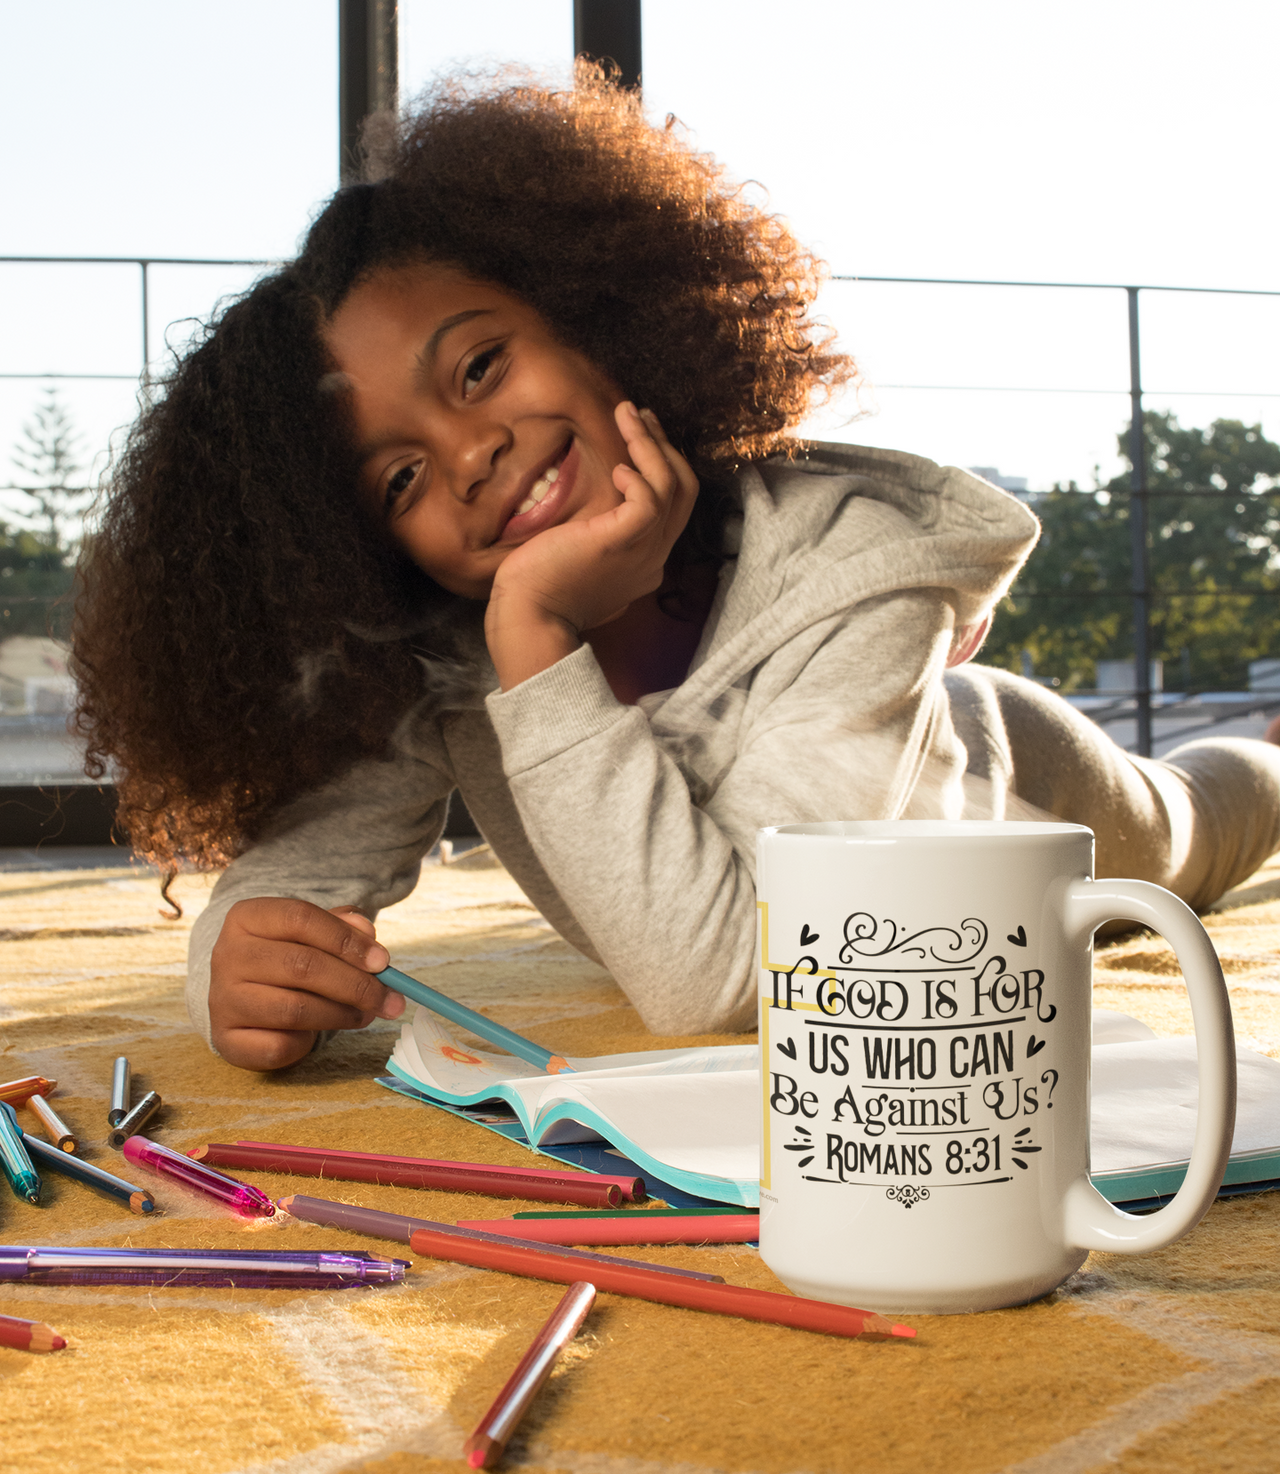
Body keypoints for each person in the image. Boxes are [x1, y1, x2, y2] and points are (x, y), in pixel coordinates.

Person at [72, 69, 1280, 1071]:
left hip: (1006, 776)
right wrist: (241, 959)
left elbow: (725, 975)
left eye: (480, 366)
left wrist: (538, 637)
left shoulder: (854, 561)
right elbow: (288, 886)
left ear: (591, 313)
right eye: (397, 479)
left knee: (1187, 831)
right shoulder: (443, 664)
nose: (472, 453)